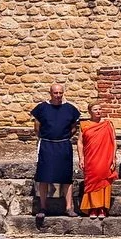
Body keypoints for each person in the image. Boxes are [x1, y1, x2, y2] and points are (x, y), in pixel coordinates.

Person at [30, 83, 81, 224]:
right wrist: (47, 137)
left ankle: (69, 207)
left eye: (60, 93)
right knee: (44, 176)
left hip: (63, 145)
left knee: (66, 177)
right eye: (55, 93)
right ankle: (43, 207)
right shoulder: (42, 108)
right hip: (47, 145)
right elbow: (37, 127)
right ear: (50, 93)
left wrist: (63, 137)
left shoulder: (70, 109)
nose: (58, 95)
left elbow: (74, 128)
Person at [76, 102, 117, 220]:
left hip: (105, 156)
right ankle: (93, 207)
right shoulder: (84, 125)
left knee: (104, 180)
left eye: (100, 109)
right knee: (92, 181)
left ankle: (103, 207)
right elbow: (80, 142)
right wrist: (81, 157)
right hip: (91, 157)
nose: (98, 111)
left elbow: (114, 140)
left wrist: (114, 157)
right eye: (95, 109)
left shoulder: (108, 124)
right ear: (90, 112)